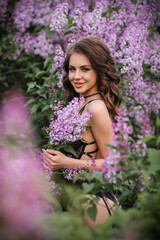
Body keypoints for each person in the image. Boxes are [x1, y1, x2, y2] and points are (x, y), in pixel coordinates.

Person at [42, 36, 121, 229]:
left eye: (85, 69)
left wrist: (67, 163)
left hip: (94, 202)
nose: (76, 76)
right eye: (72, 69)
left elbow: (115, 163)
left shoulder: (96, 108)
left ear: (99, 70)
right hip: (74, 198)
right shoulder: (81, 104)